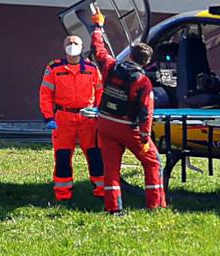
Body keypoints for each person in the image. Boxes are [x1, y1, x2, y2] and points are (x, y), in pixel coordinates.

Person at [88, 13, 166, 213]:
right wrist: (144, 136)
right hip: (127, 127)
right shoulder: (143, 81)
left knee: (111, 167)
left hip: (105, 123)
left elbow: (98, 49)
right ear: (146, 63)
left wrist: (98, 27)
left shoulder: (112, 66)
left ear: (130, 55)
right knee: (153, 162)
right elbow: (146, 110)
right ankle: (155, 205)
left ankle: (113, 209)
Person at [39, 34, 105, 202]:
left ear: (82, 47)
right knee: (62, 156)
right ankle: (63, 194)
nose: (72, 45)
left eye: (76, 42)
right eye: (69, 42)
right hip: (63, 118)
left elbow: (100, 92)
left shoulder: (91, 69)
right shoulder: (54, 68)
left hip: (88, 117)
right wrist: (48, 117)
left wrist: (99, 111)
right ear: (64, 46)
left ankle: (102, 191)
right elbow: (45, 94)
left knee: (95, 155)